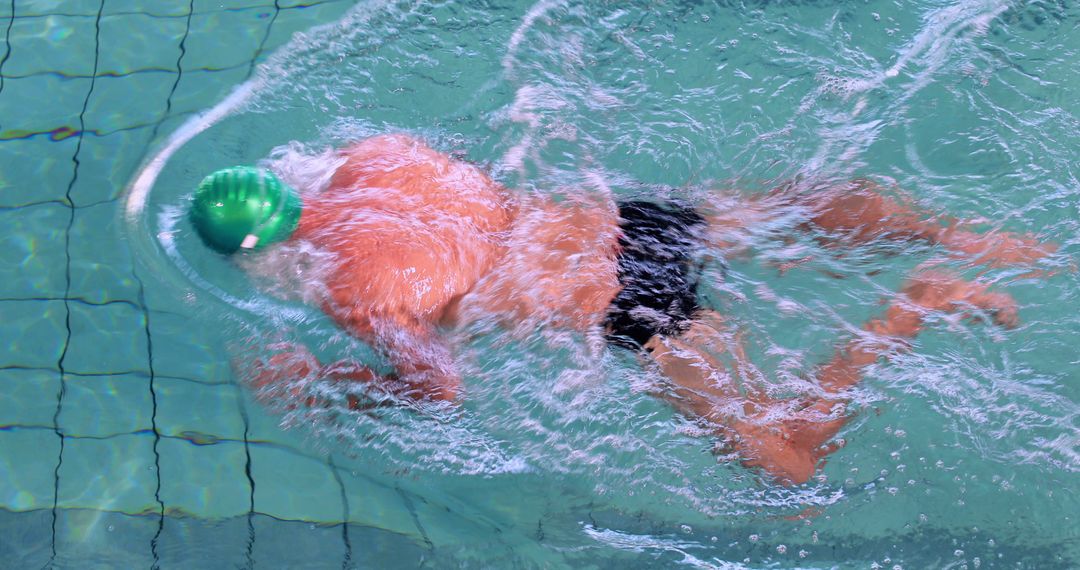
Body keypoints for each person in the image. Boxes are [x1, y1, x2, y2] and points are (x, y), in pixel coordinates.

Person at [189, 133, 1054, 484]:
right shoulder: (380, 158)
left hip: (627, 309)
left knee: (786, 460)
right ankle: (962, 234)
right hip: (634, 220)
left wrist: (326, 383)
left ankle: (916, 304)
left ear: (260, 250)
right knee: (800, 204)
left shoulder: (350, 289)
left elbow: (439, 390)